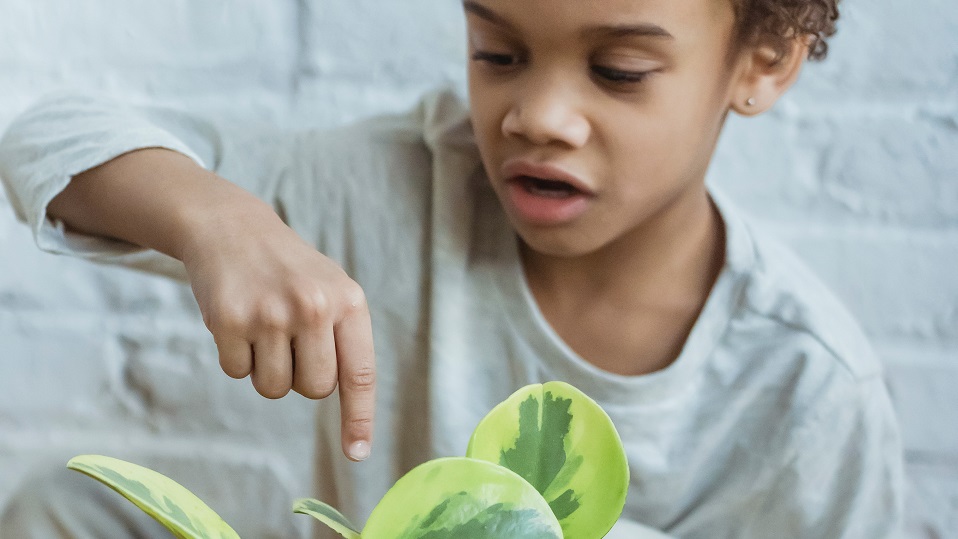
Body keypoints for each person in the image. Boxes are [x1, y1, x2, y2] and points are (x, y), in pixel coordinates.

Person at [0, 0, 904, 537]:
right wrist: (216, 219)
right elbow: (52, 136)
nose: (538, 113)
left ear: (763, 61)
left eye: (619, 70)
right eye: (497, 53)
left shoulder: (804, 389)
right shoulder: (396, 189)